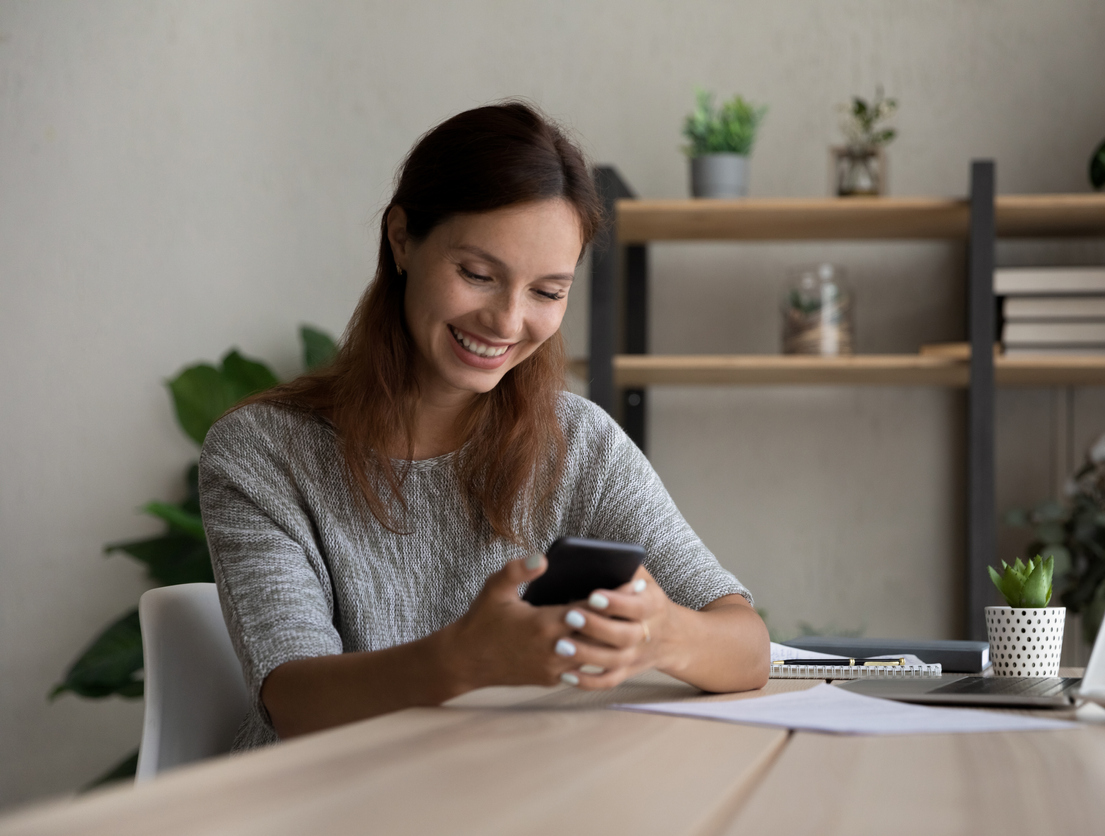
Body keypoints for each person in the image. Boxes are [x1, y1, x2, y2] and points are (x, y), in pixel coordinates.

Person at [200, 102, 769, 749]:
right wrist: (463, 659)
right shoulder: (263, 452)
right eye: (477, 274)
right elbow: (295, 703)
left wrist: (664, 634)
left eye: (547, 292)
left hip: (516, 794)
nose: (506, 321)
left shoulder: (577, 442)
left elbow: (746, 645)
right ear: (401, 239)